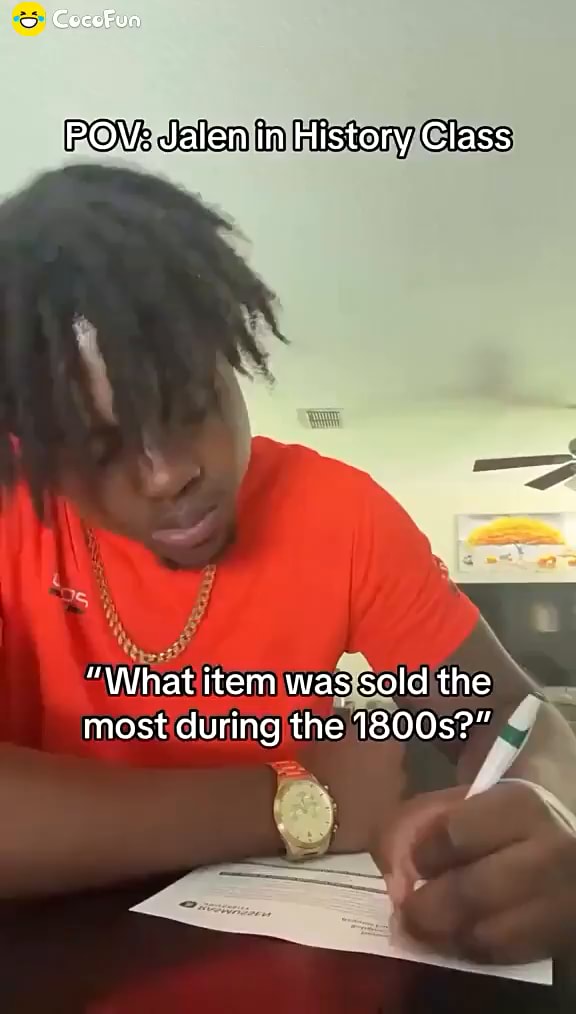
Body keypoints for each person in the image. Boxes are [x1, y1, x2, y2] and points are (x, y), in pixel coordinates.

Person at [0, 163, 575, 967]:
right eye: (99, 451)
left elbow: (514, 718)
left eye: (188, 405)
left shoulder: (342, 515)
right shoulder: (12, 517)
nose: (169, 473)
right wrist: (300, 799)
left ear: (230, 358)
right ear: (32, 453)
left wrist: (542, 798)